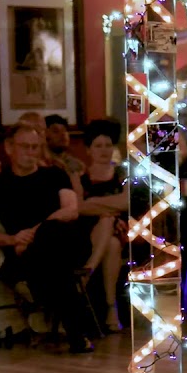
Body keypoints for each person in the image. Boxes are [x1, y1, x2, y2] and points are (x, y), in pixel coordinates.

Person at [0, 123, 95, 354]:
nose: (31, 152)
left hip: (65, 242)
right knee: (53, 264)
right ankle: (77, 331)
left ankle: (43, 298)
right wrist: (12, 240)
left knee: (52, 234)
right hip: (30, 253)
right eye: (25, 147)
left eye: (35, 147)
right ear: (9, 148)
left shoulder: (54, 175)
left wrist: (35, 233)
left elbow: (71, 211)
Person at [77, 119, 129, 332]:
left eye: (108, 145)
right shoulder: (80, 176)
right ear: (89, 150)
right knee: (108, 227)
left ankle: (86, 275)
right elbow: (79, 207)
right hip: (86, 231)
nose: (104, 150)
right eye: (98, 146)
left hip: (117, 230)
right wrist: (108, 207)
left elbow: (125, 202)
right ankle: (110, 308)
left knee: (112, 238)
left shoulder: (122, 174)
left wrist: (95, 204)